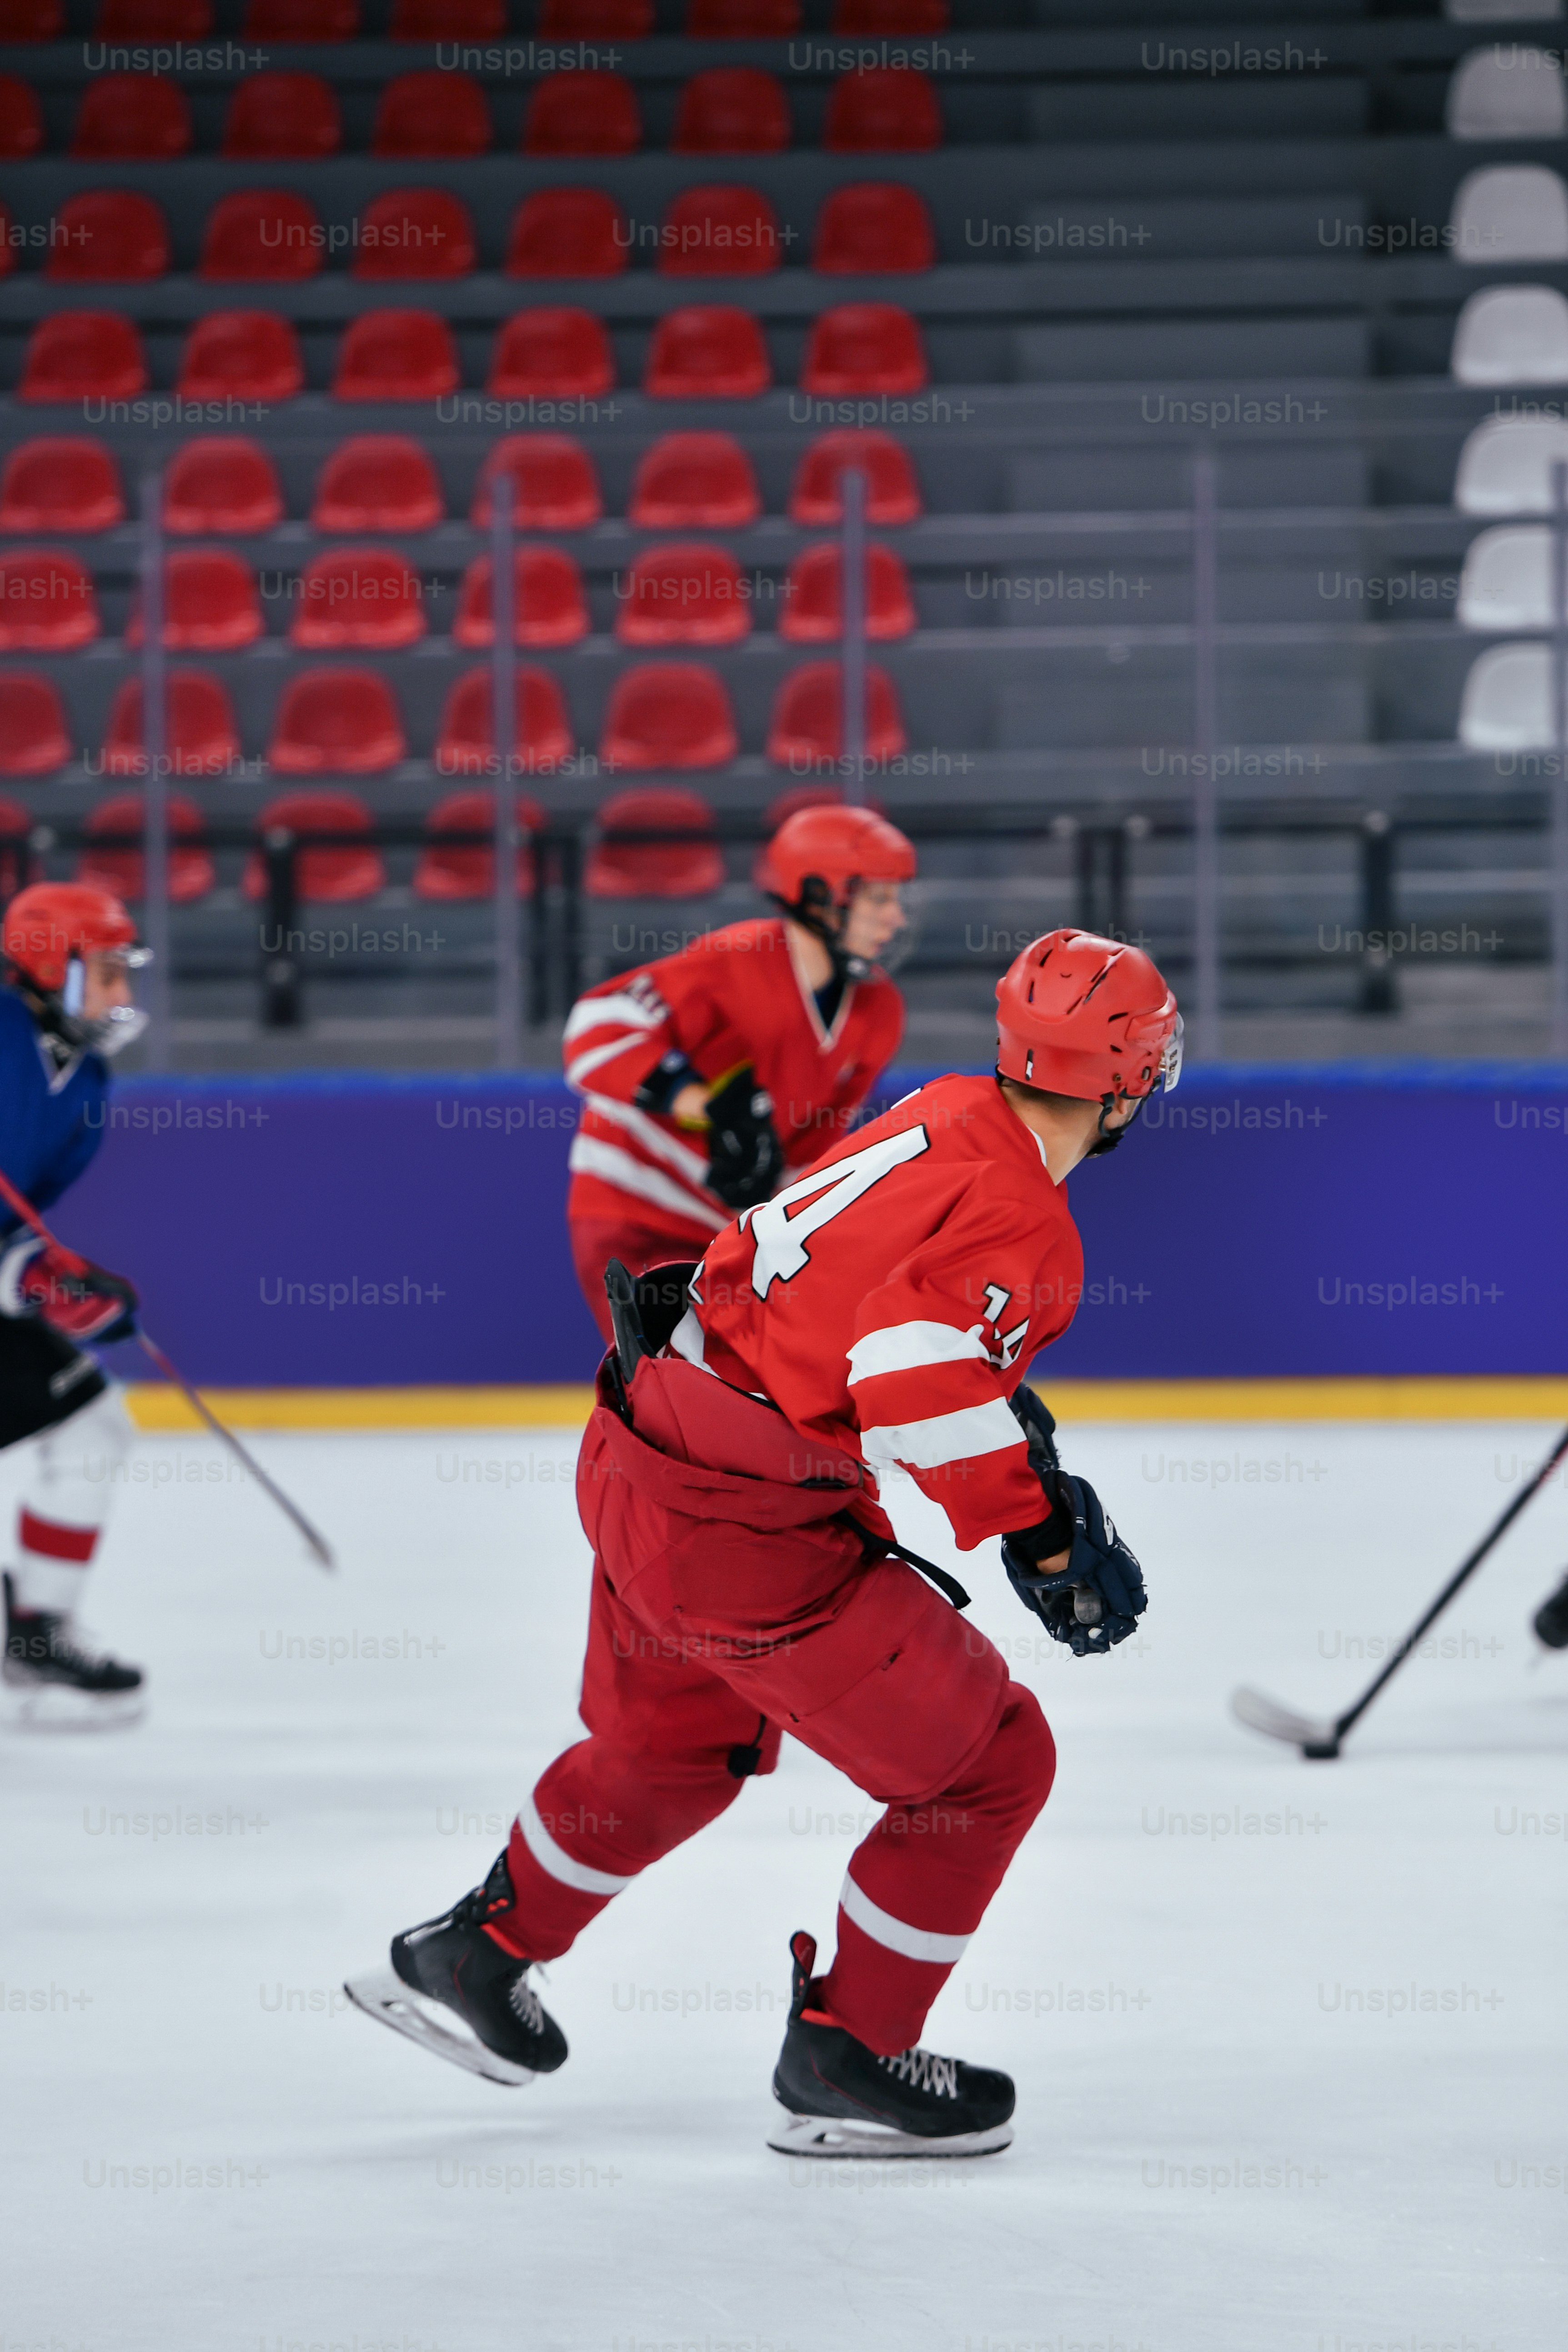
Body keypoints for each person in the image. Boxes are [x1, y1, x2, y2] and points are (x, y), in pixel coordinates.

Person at [348, 928, 1181, 2158]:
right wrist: (1040, 1526)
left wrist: (1008, 1434)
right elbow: (907, 1369)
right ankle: (851, 2049)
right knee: (990, 1764)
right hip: (746, 1526)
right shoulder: (1029, 1221)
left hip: (644, 1449)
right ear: (1124, 1078)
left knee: (672, 1742)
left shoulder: (945, 1107)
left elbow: (854, 1298)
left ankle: (476, 1949)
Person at [561, 802, 916, 1341]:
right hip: (634, 1206)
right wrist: (703, 1105)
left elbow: (815, 1148)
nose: (896, 917)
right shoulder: (734, 959)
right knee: (667, 1386)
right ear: (819, 894)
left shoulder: (878, 1011)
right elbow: (596, 1027)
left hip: (727, 1232)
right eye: (878, 897)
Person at [0, 882, 148, 1729]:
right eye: (108, 972)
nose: (123, 994)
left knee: (94, 1426)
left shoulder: (86, 1080)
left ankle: (38, 1630)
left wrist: (52, 1278)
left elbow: (14, 1226)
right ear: (54, 968)